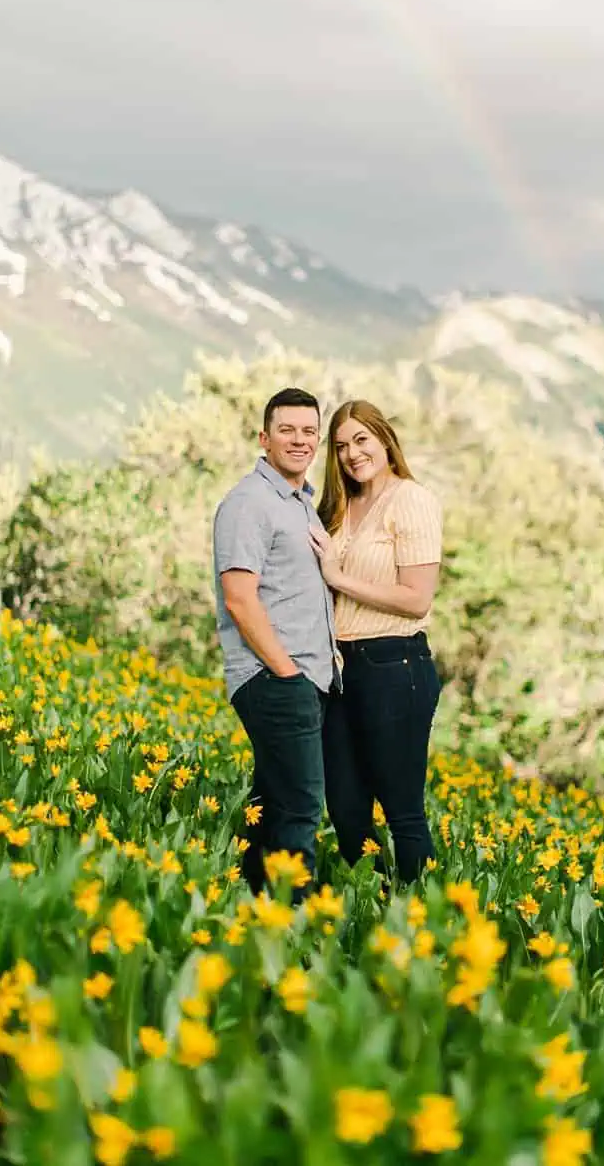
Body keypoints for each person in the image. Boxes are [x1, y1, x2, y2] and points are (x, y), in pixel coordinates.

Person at [212, 387, 341, 903]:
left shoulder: (301, 505)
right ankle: (290, 931)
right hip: (277, 679)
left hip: (302, 678)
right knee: (301, 809)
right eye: (287, 430)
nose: (299, 440)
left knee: (270, 804)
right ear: (264, 438)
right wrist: (289, 674)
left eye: (309, 431)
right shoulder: (249, 503)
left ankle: (245, 907)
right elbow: (240, 598)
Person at [310, 399, 443, 885]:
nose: (351, 454)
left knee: (402, 810)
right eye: (341, 445)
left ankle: (425, 922)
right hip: (342, 670)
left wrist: (338, 577)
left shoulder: (411, 500)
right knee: (345, 808)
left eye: (361, 440)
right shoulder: (342, 506)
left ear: (385, 439)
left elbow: (416, 599)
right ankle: (378, 904)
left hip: (394, 664)